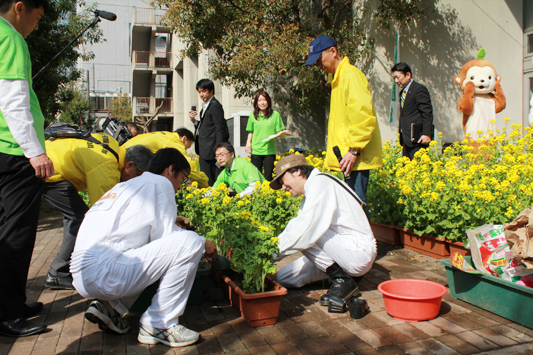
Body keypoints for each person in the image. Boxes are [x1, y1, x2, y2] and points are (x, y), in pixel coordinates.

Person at [71, 148, 217, 348]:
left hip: (83, 274)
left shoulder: (128, 185)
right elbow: (167, 239)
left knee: (148, 252)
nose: (179, 187)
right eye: (182, 178)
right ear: (170, 169)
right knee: (191, 242)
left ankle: (109, 307)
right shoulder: (161, 183)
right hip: (105, 272)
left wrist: (174, 224)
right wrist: (204, 243)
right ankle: (159, 324)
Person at [0, 0, 53, 338]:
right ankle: (8, 313)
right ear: (20, 7)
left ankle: (14, 303)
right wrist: (34, 152)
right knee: (16, 235)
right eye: (36, 19)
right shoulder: (10, 38)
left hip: (2, 150)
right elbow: (14, 100)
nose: (35, 28)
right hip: (15, 152)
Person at [43, 135, 153, 290]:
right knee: (80, 219)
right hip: (50, 170)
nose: (136, 181)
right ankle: (57, 274)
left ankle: (60, 270)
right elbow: (103, 211)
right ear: (130, 165)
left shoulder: (114, 145)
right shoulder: (107, 167)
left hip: (49, 156)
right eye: (138, 175)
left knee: (74, 216)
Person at [271, 154, 376, 307]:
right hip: (339, 249)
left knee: (306, 230)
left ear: (297, 172)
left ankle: (343, 281)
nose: (283, 187)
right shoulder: (312, 189)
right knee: (283, 278)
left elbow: (303, 231)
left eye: (283, 180)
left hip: (357, 253)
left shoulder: (320, 183)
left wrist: (270, 254)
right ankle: (342, 275)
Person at [305, 35, 382, 204]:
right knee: (351, 205)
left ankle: (364, 232)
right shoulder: (338, 79)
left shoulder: (351, 76)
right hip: (347, 157)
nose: (318, 66)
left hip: (354, 156)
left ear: (333, 51)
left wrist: (354, 150)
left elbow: (363, 116)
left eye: (319, 60)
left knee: (356, 206)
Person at [122, 127, 208, 187]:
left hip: (124, 153)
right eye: (186, 147)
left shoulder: (165, 135)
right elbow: (187, 166)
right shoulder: (174, 141)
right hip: (129, 159)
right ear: (184, 138)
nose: (185, 150)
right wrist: (204, 181)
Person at [189, 78, 229, 185]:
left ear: (211, 91)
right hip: (204, 150)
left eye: (204, 91)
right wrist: (194, 121)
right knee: (207, 180)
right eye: (199, 92)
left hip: (211, 151)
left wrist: (219, 150)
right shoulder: (205, 107)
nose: (201, 94)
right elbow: (206, 127)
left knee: (211, 181)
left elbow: (220, 128)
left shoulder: (215, 106)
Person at [391, 62, 434, 159]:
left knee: (419, 169)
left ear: (408, 75)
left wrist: (426, 133)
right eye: (394, 78)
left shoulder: (419, 90)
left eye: (398, 77)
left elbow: (427, 113)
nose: (396, 81)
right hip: (406, 139)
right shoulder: (403, 92)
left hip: (418, 139)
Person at [245, 90, 290, 181]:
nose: (262, 102)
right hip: (256, 150)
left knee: (268, 178)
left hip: (269, 151)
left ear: (268, 101)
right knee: (256, 178)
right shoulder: (252, 116)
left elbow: (278, 133)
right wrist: (248, 143)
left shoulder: (275, 115)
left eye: (264, 100)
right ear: (256, 103)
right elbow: (250, 131)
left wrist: (284, 133)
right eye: (259, 100)